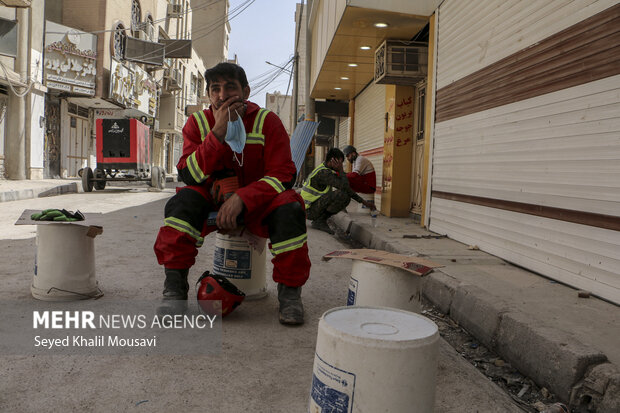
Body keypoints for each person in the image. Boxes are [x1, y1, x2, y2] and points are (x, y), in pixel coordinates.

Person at [153, 62, 310, 325]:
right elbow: (189, 174)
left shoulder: (267, 122)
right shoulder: (198, 123)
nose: (222, 96)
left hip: (259, 207)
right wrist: (217, 133)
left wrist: (243, 198)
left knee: (291, 206)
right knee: (181, 204)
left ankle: (290, 296)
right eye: (215, 89)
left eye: (230, 88)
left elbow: (284, 175)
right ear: (209, 94)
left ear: (246, 91)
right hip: (211, 206)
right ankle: (174, 290)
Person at [301, 147, 375, 234]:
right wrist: (341, 170)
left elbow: (345, 185)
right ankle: (320, 221)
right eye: (340, 162)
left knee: (343, 195)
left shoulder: (325, 168)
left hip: (309, 207)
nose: (341, 165)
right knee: (343, 195)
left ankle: (320, 220)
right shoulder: (325, 173)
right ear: (333, 160)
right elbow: (345, 187)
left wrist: (364, 202)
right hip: (309, 210)